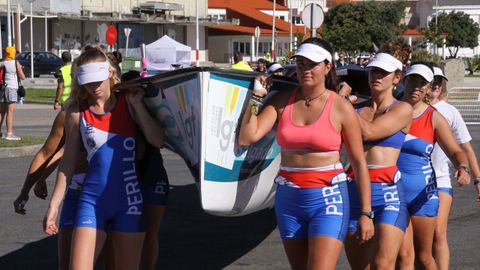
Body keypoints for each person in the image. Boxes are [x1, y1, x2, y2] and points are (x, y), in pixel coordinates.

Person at [238, 37, 374, 270]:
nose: (305, 69)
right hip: (289, 199)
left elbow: (359, 163)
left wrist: (366, 213)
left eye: (312, 64)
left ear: (328, 67)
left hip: (328, 198)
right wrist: (256, 98)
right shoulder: (282, 101)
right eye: (301, 64)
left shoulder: (341, 107)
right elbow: (247, 137)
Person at [43, 46, 164, 269]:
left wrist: (138, 106)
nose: (94, 87)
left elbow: (157, 140)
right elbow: (68, 162)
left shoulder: (128, 102)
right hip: (92, 201)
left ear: (109, 73)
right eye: (88, 82)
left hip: (130, 203)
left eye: (98, 80)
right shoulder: (77, 112)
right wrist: (54, 205)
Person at [396, 62, 470, 270]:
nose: (417, 87)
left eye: (423, 83)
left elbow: (456, 150)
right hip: (392, 194)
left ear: (429, 88)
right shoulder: (389, 112)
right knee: (401, 256)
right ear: (404, 80)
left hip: (423, 194)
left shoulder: (434, 117)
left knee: (424, 257)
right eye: (413, 81)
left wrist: (462, 167)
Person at [344, 45, 412, 270]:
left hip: (388, 194)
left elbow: (370, 132)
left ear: (397, 78)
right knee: (359, 266)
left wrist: (343, 105)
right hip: (354, 191)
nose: (377, 76)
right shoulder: (356, 108)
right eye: (374, 71)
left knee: (383, 264)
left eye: (384, 72)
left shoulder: (402, 109)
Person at [429, 66, 480, 270]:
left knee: (438, 234)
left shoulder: (449, 112)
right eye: (431, 80)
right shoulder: (405, 109)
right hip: (408, 181)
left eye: (438, 82)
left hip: (440, 181)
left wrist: (477, 180)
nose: (435, 85)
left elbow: (466, 148)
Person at [0, 46, 26, 140]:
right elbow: (23, 77)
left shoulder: (1, 62)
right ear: (12, 53)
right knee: (10, 112)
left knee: (1, 112)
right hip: (11, 88)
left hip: (2, 88)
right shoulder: (15, 63)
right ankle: (9, 134)